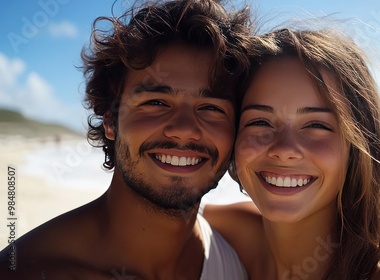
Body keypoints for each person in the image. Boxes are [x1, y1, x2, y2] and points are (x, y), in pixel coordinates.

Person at [0, 0, 251, 279]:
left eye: (211, 108)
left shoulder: (249, 248)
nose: (184, 129)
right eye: (156, 102)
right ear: (110, 119)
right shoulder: (25, 270)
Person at [204, 28, 380, 279]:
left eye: (316, 125)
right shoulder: (232, 228)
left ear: (358, 147)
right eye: (260, 122)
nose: (284, 150)